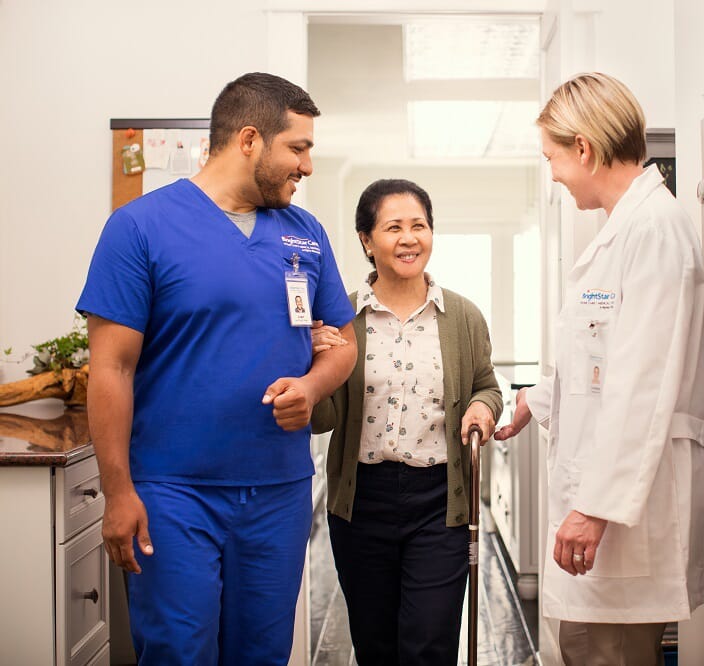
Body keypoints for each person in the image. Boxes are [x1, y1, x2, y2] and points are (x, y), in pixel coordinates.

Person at [77, 72, 358, 665]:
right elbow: (111, 369)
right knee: (180, 651)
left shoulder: (304, 234)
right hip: (172, 493)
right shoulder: (140, 227)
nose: (307, 166)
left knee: (261, 653)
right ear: (250, 139)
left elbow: (344, 344)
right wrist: (118, 490)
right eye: (299, 148)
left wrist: (311, 384)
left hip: (277, 491)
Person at [494, 72, 704, 666]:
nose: (553, 174)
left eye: (553, 158)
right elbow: (600, 362)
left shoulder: (654, 231)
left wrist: (593, 507)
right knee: (583, 649)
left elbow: (642, 386)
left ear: (585, 149)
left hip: (625, 512)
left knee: (611, 655)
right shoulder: (625, 231)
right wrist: (536, 401)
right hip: (606, 497)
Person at [310, 178, 502, 665]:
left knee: (429, 645)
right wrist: (310, 369)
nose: (408, 238)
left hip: (440, 502)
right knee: (375, 647)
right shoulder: (341, 316)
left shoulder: (462, 316)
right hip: (361, 500)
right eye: (393, 227)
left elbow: (487, 385)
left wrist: (483, 407)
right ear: (366, 240)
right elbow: (322, 419)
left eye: (419, 225)